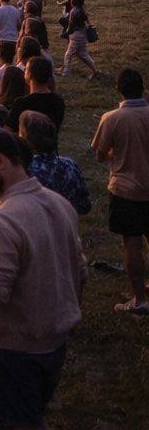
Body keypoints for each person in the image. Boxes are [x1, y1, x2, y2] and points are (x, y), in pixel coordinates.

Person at [0, 127, 85, 430]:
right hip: (54, 339)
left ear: (0, 161)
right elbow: (79, 270)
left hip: (17, 347)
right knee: (33, 413)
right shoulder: (59, 204)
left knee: (18, 421)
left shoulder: (4, 219)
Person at [91, 68, 149, 315]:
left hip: (126, 190)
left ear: (119, 90)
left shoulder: (111, 118)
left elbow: (100, 154)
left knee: (133, 245)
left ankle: (139, 299)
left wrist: (119, 154)